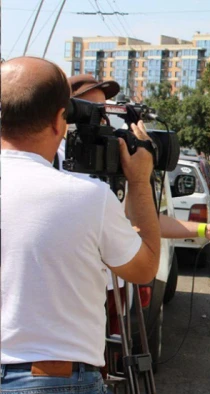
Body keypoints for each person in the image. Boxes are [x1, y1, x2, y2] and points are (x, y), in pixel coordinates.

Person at [0, 57, 158, 393]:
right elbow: (144, 269)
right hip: (53, 380)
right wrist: (141, 183)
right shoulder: (89, 198)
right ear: (60, 121)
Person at [65, 74, 210, 244]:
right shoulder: (55, 159)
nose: (102, 118)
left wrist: (204, 229)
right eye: (93, 111)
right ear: (70, 111)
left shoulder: (118, 155)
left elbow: (144, 220)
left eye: (104, 110)